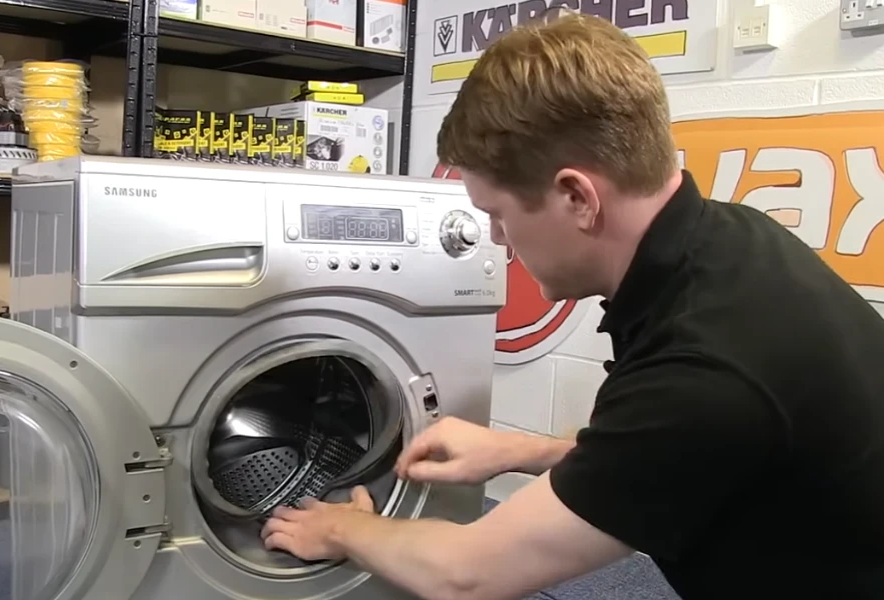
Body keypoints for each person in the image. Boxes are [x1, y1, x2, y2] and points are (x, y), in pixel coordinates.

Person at [261, 13, 884, 600]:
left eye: (500, 215)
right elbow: (659, 451)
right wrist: (518, 451)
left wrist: (343, 530)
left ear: (577, 198)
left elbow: (469, 575)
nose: (499, 239)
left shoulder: (707, 370)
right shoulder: (728, 242)